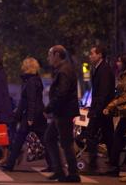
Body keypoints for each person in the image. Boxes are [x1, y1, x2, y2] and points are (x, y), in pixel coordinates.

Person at [1, 57, 51, 171]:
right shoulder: (33, 80)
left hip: (32, 115)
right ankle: (53, 164)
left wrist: (30, 117)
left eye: (24, 64)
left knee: (19, 139)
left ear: (27, 67)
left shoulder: (31, 81)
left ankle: (10, 164)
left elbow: (32, 100)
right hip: (36, 114)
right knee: (44, 140)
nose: (22, 66)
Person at [43, 45, 81, 183]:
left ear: (57, 55)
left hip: (63, 112)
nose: (48, 58)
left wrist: (48, 108)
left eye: (50, 55)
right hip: (61, 111)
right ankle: (59, 170)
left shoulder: (64, 70)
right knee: (50, 138)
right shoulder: (63, 69)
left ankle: (73, 173)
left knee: (66, 142)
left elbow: (61, 94)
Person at [83, 45, 115, 174]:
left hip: (102, 110)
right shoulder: (98, 68)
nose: (90, 56)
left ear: (100, 55)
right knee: (109, 137)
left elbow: (104, 92)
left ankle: (93, 165)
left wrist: (96, 110)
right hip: (101, 109)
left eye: (92, 53)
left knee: (91, 134)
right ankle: (113, 165)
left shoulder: (104, 70)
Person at [103, 53, 126, 176]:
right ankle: (116, 165)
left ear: (125, 62)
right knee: (122, 137)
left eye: (119, 61)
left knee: (119, 137)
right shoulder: (124, 74)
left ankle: (115, 166)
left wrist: (113, 104)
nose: (117, 63)